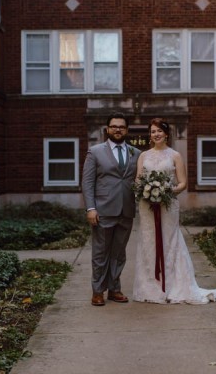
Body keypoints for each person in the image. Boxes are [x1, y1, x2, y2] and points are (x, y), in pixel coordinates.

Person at [132, 118, 216, 304]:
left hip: (168, 205)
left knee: (170, 241)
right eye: (153, 131)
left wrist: (165, 191)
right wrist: (145, 190)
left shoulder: (175, 155)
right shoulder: (143, 156)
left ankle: (172, 287)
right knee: (148, 241)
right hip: (147, 206)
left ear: (166, 134)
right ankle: (150, 289)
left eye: (159, 131)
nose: (156, 134)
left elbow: (183, 183)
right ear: (150, 135)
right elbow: (138, 180)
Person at [82, 112, 142, 306]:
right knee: (100, 253)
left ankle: (114, 289)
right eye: (114, 126)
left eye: (122, 127)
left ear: (127, 130)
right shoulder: (95, 151)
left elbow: (138, 181)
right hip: (103, 211)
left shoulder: (136, 153)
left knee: (119, 253)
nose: (118, 129)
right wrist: (91, 208)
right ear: (107, 129)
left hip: (126, 210)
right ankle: (98, 291)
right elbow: (87, 182)